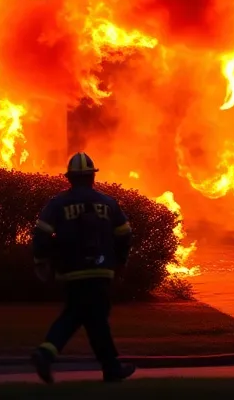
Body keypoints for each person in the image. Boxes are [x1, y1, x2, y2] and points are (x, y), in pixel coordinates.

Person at [29, 152, 136, 384]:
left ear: (69, 178)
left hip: (71, 272)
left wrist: (41, 261)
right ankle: (109, 367)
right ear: (91, 178)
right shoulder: (108, 203)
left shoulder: (58, 203)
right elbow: (125, 234)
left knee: (81, 316)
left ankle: (50, 354)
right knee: (91, 318)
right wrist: (120, 261)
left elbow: (41, 233)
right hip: (101, 272)